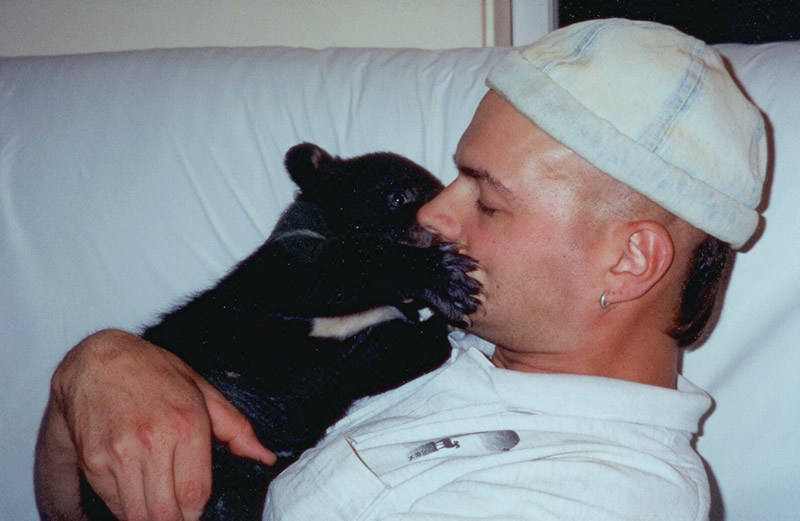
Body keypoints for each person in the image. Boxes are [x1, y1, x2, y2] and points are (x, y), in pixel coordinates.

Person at [35, 18, 766, 521]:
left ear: (629, 259)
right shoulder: (447, 346)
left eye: (487, 199)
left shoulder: (601, 494)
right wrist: (93, 377)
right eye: (456, 177)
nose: (433, 214)